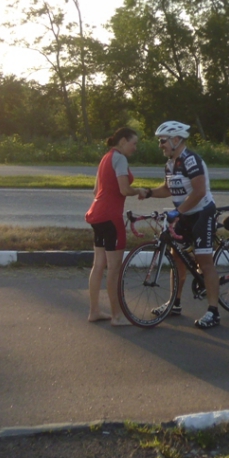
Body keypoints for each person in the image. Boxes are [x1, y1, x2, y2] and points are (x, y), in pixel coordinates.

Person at [144, 120, 221, 329]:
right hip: (184, 215)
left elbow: (200, 191)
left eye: (163, 141)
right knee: (176, 257)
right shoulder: (170, 163)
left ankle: (213, 311)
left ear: (176, 140)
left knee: (204, 262)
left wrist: (178, 211)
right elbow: (167, 189)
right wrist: (149, 192)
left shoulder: (191, 160)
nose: (160, 145)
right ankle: (174, 303)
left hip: (202, 213)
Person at [85, 127, 148, 325]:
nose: (135, 147)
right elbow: (124, 189)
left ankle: (94, 311)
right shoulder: (120, 159)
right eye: (133, 143)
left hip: (97, 214)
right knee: (114, 268)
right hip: (111, 217)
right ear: (122, 141)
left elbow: (96, 190)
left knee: (98, 265)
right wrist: (139, 190)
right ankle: (117, 316)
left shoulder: (106, 158)